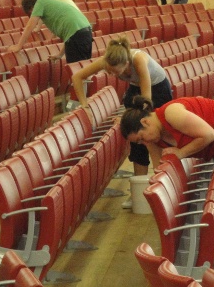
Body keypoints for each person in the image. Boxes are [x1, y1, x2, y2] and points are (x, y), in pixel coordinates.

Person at [120, 96, 214, 285]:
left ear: (145, 122)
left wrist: (180, 153)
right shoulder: (154, 137)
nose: (142, 142)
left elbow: (209, 135)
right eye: (138, 142)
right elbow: (160, 170)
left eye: (141, 138)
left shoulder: (171, 114)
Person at [71, 37, 172, 209]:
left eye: (116, 72)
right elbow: (77, 77)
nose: (113, 75)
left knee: (151, 135)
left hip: (157, 89)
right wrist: (84, 104)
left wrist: (128, 118)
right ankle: (138, 193)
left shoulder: (138, 60)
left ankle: (162, 187)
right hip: (135, 88)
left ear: (126, 63)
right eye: (110, 72)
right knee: (136, 141)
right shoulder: (108, 61)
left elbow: (145, 103)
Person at [8, 0, 92, 63]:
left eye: (31, 12)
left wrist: (18, 46)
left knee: (77, 72)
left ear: (31, 8)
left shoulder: (40, 2)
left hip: (77, 35)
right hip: (86, 32)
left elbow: (30, 26)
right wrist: (60, 54)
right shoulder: (50, 5)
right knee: (82, 69)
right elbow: (70, 37)